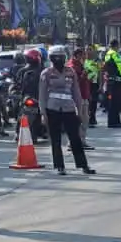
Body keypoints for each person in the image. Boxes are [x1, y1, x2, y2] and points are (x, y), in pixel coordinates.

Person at [40, 46, 96, 176]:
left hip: (69, 108)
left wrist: (80, 110)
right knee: (56, 139)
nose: (59, 59)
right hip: (52, 109)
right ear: (51, 58)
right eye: (56, 57)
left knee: (75, 138)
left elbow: (76, 92)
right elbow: (42, 95)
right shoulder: (46, 73)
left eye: (61, 56)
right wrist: (43, 113)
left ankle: (83, 165)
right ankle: (60, 166)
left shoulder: (70, 72)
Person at [103, 39, 121, 128]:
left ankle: (116, 121)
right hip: (116, 81)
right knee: (115, 102)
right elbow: (120, 68)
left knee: (114, 102)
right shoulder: (115, 54)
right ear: (116, 45)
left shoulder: (107, 54)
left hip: (110, 81)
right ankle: (112, 122)